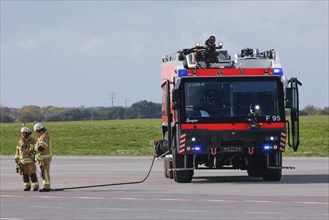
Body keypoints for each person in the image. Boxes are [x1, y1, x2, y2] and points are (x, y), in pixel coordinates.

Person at [15, 127, 39, 191]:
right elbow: (17, 151)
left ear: (28, 133)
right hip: (22, 162)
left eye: (24, 133)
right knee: (25, 174)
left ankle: (35, 186)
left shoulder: (33, 140)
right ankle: (27, 186)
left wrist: (34, 157)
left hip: (30, 161)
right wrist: (16, 158)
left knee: (32, 174)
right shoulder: (20, 142)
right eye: (22, 133)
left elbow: (36, 149)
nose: (23, 134)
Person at [33, 123, 53, 192]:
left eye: (36, 131)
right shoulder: (41, 137)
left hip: (45, 158)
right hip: (42, 158)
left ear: (39, 130)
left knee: (45, 172)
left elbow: (41, 148)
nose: (36, 133)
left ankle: (46, 187)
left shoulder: (44, 136)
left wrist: (35, 148)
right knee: (43, 172)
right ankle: (46, 186)